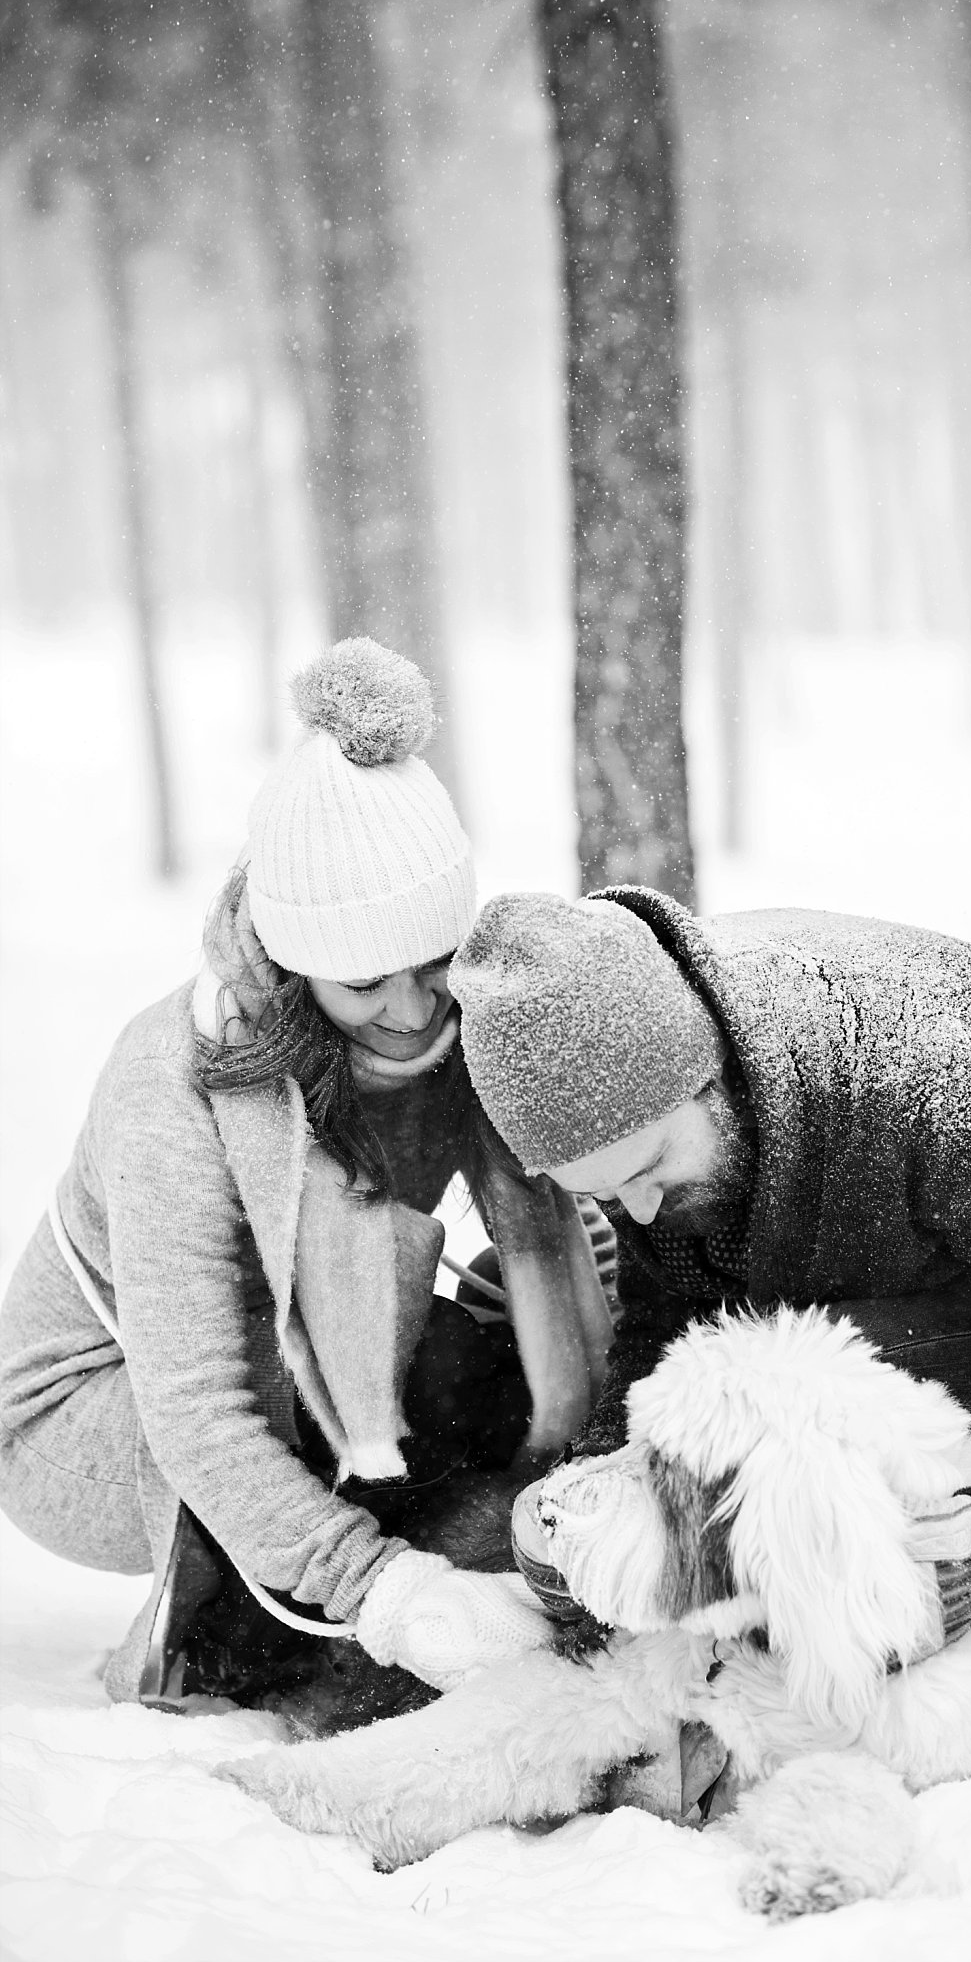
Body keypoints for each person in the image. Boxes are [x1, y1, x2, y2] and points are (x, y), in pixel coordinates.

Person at [0, 640, 608, 1714]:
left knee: (480, 1372)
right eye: (366, 980)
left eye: (431, 968)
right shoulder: (177, 1080)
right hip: (87, 1412)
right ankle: (264, 1646)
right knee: (301, 1415)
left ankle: (482, 1569)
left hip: (290, 1352)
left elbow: (552, 1219)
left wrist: (556, 1293)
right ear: (290, 960)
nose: (413, 1011)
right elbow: (200, 1402)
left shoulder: (459, 1016)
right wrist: (385, 1588)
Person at [449, 886, 971, 1653]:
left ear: (710, 1070)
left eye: (651, 1166)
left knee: (796, 1410)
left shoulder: (930, 1069)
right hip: (883, 1277)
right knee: (743, 1401)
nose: (642, 1210)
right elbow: (666, 1324)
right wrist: (596, 1485)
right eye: (605, 1191)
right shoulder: (660, 1127)